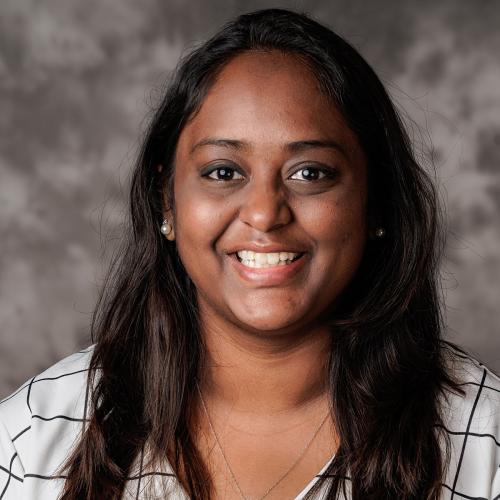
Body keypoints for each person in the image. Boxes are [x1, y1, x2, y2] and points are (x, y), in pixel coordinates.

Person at [1, 7, 499, 500]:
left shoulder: (486, 442)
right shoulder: (33, 436)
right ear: (166, 201)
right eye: (223, 172)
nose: (264, 214)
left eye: (310, 172)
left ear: (375, 203)